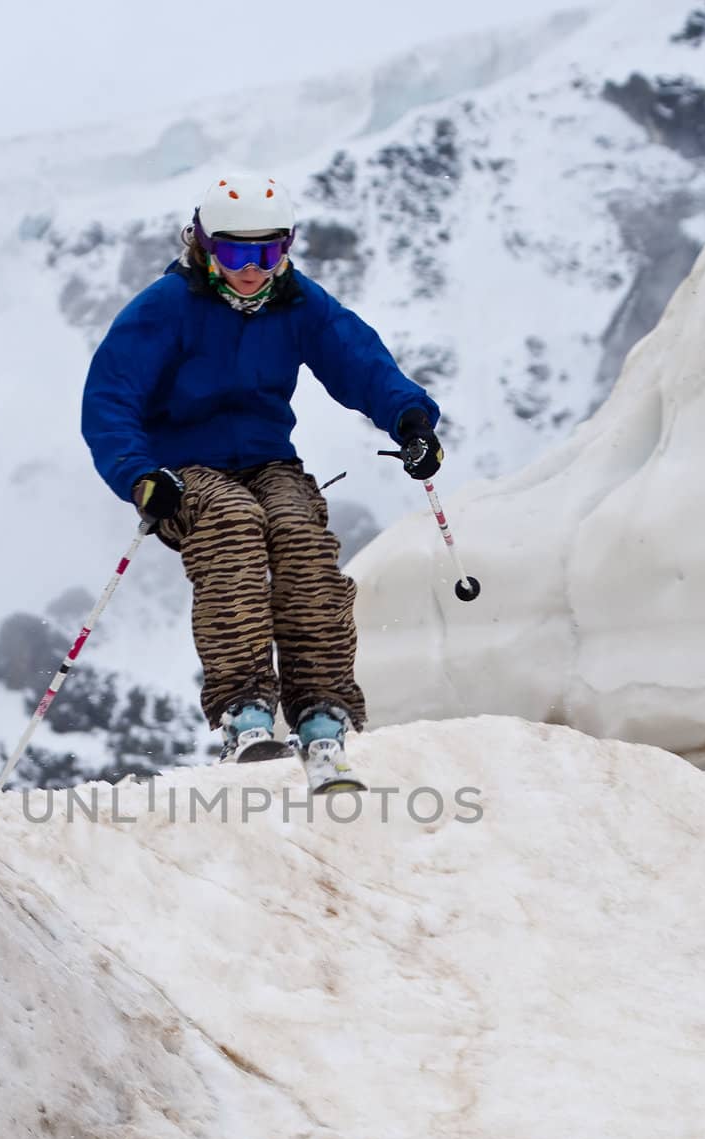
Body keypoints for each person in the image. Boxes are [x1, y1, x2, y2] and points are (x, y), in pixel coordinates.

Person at [81, 172, 443, 788]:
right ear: (203, 246)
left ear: (287, 248)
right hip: (182, 470)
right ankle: (243, 711)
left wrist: (409, 419)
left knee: (300, 532)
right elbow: (111, 399)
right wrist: (141, 477)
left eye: (268, 252)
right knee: (232, 525)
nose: (252, 269)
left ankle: (322, 710)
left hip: (266, 459)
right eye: (235, 252)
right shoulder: (167, 308)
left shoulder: (297, 303)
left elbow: (359, 361)